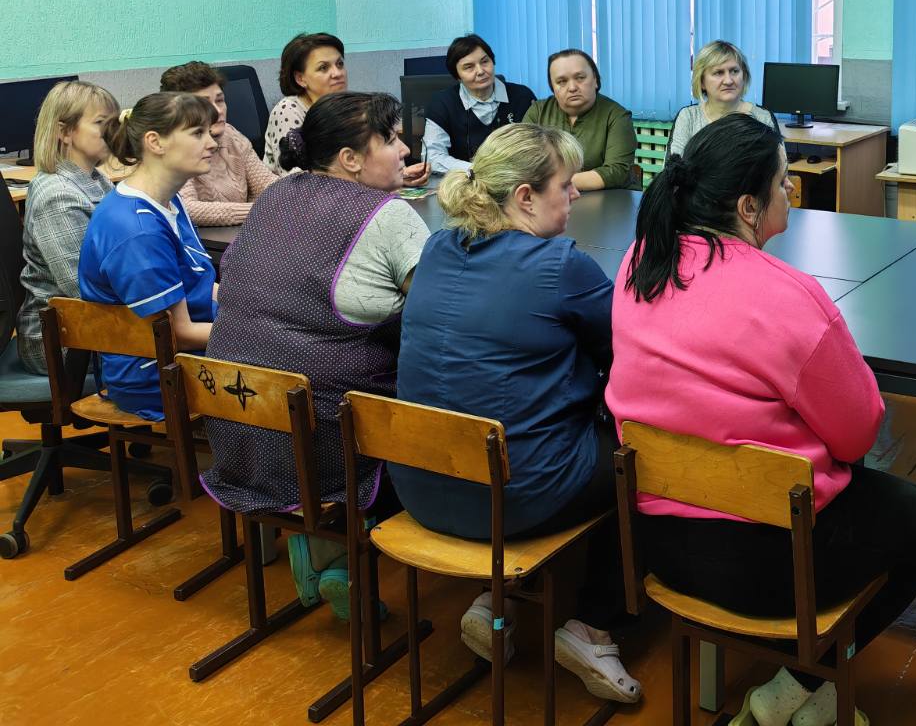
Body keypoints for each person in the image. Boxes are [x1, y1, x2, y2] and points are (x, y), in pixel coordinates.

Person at [608, 114, 916, 726]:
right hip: (770, 566)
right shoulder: (788, 293)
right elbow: (858, 433)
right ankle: (802, 683)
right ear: (748, 206)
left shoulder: (641, 261)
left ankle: (798, 687)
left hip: (657, 540)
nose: (790, 188)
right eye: (783, 180)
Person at [395, 123, 640, 702]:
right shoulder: (560, 265)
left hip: (420, 485)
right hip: (513, 499)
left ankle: (495, 600)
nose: (574, 193)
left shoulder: (437, 247)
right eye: (564, 184)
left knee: (508, 423)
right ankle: (592, 626)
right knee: (636, 459)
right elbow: (627, 349)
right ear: (525, 196)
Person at [200, 92, 431, 619]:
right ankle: (340, 547)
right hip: (322, 437)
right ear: (349, 159)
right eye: (390, 139)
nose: (404, 150)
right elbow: (435, 320)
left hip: (233, 418)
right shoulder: (388, 215)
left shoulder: (275, 197)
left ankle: (322, 545)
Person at [77, 93, 219, 419]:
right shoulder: (138, 230)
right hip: (155, 374)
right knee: (304, 363)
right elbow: (178, 333)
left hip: (188, 351)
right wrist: (257, 334)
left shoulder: (167, 199)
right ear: (155, 142)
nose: (212, 143)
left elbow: (197, 283)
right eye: (198, 133)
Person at [15, 81, 120, 375]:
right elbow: (83, 289)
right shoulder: (58, 196)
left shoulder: (97, 179)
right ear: (65, 132)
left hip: (89, 323)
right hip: (58, 341)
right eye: (101, 123)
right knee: (188, 346)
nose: (114, 132)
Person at [159, 60, 277, 226]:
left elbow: (268, 185)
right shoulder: (176, 146)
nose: (218, 110)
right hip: (205, 238)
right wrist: (259, 209)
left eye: (220, 100)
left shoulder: (230, 134)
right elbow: (187, 209)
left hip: (242, 230)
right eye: (205, 104)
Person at [421, 33, 536, 173]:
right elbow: (432, 158)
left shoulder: (522, 96)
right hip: (464, 180)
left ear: (493, 62)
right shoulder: (442, 104)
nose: (480, 71)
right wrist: (479, 171)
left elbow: (538, 147)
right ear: (457, 76)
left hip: (515, 179)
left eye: (484, 61)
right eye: (469, 67)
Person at [522, 49, 636, 190]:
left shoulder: (616, 116)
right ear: (553, 88)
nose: (572, 88)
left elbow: (618, 171)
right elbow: (522, 162)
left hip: (606, 197)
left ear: (595, 80)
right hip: (547, 198)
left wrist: (553, 182)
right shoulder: (538, 112)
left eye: (580, 78)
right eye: (561, 81)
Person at [668, 39, 777, 155]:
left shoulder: (762, 118)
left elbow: (777, 164)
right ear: (702, 82)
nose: (728, 81)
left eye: (734, 71)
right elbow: (674, 164)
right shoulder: (689, 117)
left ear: (744, 76)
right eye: (718, 73)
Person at [264, 32, 348, 175]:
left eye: (340, 64)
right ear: (300, 78)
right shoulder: (287, 110)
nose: (337, 73)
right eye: (323, 68)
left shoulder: (347, 107)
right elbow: (294, 177)